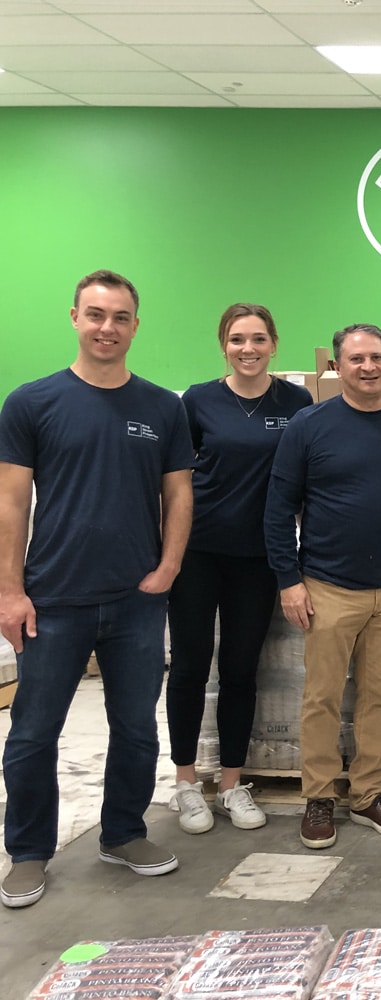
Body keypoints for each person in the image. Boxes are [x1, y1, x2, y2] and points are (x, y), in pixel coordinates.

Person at [1, 270, 192, 910]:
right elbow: (11, 500)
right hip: (53, 599)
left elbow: (178, 493)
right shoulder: (32, 402)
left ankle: (124, 833)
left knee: (136, 727)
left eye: (120, 317)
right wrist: (9, 589)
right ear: (75, 319)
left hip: (137, 600)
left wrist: (167, 568)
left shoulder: (163, 407)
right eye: (95, 315)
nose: (107, 327)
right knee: (33, 732)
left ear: (136, 325)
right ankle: (28, 851)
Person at [264, 323, 381, 850]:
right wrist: (289, 581)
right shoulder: (309, 426)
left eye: (377, 357)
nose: (368, 367)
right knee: (322, 697)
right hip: (328, 585)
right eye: (356, 359)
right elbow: (276, 509)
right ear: (337, 367)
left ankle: (369, 794)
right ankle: (318, 797)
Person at [166, 303, 313, 836]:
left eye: (257, 338)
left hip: (259, 558)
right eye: (236, 339)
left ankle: (231, 784)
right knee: (187, 667)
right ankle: (186, 782)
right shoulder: (198, 401)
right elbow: (176, 481)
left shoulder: (296, 403)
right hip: (198, 553)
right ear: (223, 345)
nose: (247, 348)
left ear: (274, 342)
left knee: (240, 670)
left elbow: (305, 478)